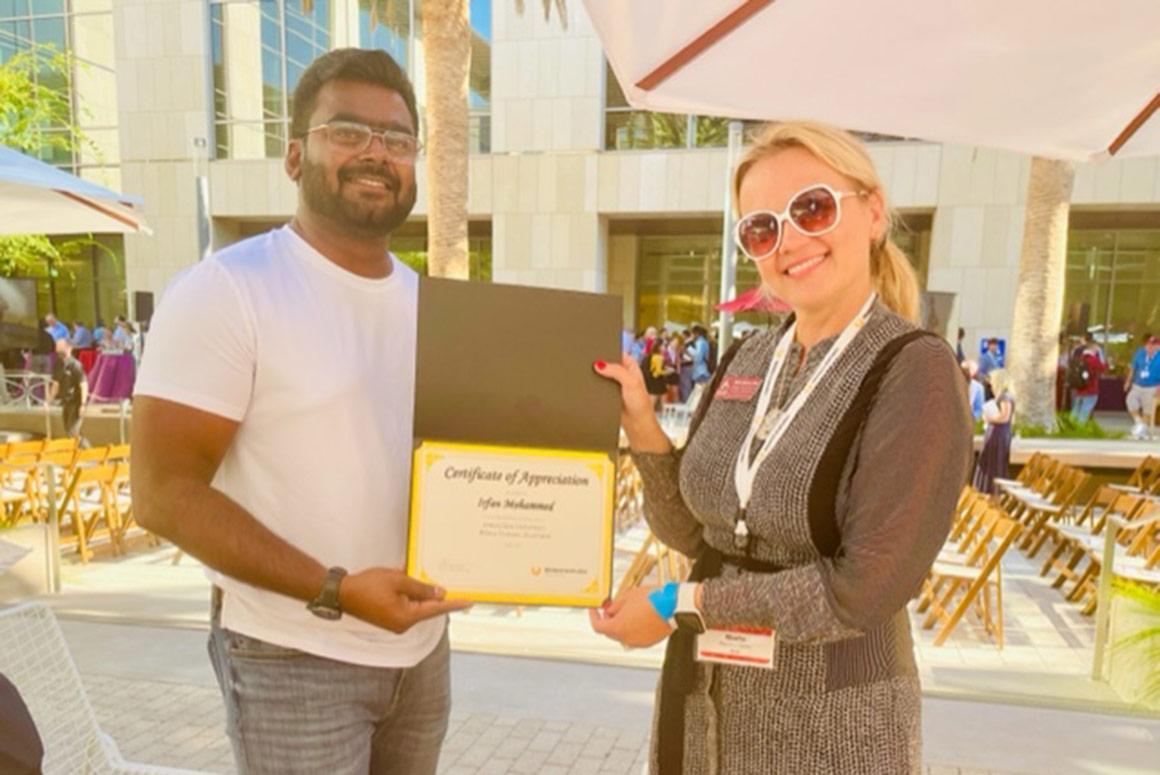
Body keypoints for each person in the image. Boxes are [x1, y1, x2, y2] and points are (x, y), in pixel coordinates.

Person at [591, 121, 971, 774]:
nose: (788, 239)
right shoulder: (748, 355)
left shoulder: (915, 369)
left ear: (873, 210)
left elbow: (865, 589)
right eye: (761, 227)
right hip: (705, 703)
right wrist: (643, 426)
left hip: (833, 726)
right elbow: (696, 532)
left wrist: (679, 604)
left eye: (812, 207)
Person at [132, 49, 470, 775]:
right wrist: (335, 589)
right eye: (348, 131)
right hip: (293, 651)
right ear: (294, 155)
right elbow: (162, 494)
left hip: (420, 650)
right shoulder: (227, 290)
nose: (378, 154)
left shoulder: (436, 307)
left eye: (399, 140)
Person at [973, 368, 1015, 495]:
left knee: (996, 463)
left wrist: (989, 418)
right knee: (990, 461)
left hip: (999, 434)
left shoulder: (1005, 397)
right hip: (995, 432)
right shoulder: (1001, 396)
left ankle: (995, 493)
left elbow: (1005, 416)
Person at [49, 337, 87, 439]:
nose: (57, 350)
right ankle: (81, 452)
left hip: (76, 402)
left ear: (69, 348)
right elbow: (55, 384)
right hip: (65, 402)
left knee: (72, 431)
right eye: (57, 347)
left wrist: (83, 404)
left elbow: (83, 385)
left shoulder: (76, 365)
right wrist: (49, 400)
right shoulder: (58, 364)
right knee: (68, 430)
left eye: (60, 347)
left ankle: (87, 452)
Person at [1125, 334, 1160, 440]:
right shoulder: (1140, 353)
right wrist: (1128, 381)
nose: (1150, 347)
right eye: (1149, 344)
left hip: (1152, 386)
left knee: (1148, 409)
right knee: (1130, 401)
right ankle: (1140, 423)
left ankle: (1141, 431)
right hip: (1138, 384)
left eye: (1154, 345)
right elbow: (1133, 368)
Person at [1068, 333, 1105, 424]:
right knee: (1085, 409)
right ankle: (1079, 428)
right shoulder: (1093, 359)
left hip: (1079, 387)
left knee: (1076, 408)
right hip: (1091, 388)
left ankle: (1070, 425)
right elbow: (1103, 368)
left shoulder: (1079, 355)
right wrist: (1100, 354)